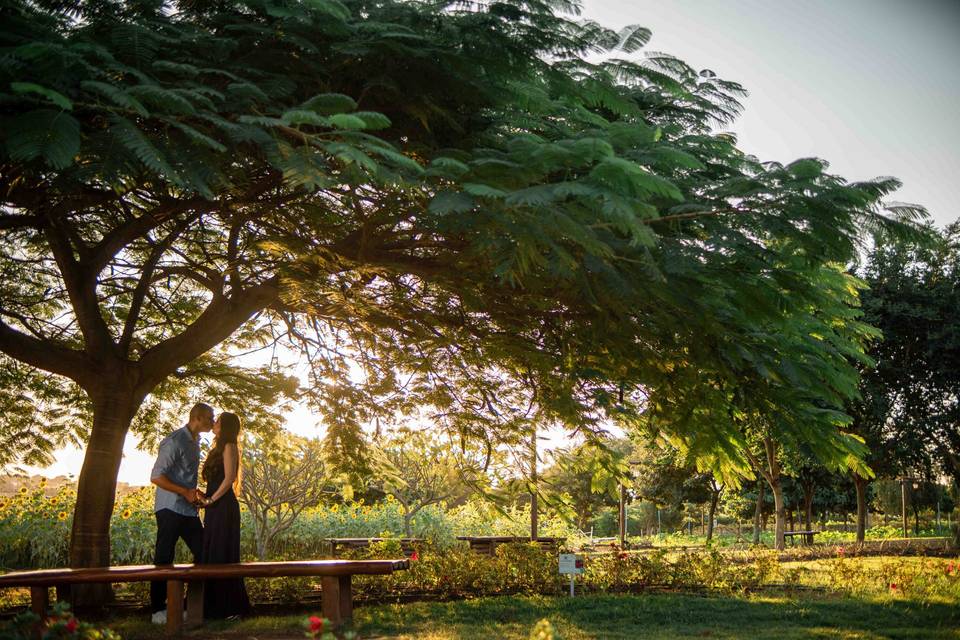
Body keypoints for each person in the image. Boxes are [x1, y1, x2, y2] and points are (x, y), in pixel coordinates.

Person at [149, 402, 213, 625]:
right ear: (197, 417)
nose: (212, 422)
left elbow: (184, 478)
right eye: (209, 418)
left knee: (205, 552)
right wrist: (185, 491)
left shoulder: (195, 442)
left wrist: (194, 494)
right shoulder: (174, 441)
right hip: (169, 508)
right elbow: (156, 476)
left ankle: (186, 606)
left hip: (187, 510)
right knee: (164, 558)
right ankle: (158, 611)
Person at [198, 411, 251, 619]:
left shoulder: (229, 446)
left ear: (225, 426)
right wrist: (203, 497)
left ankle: (228, 608)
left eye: (218, 420)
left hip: (223, 506)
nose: (214, 422)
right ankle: (211, 607)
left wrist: (211, 500)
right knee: (211, 552)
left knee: (222, 554)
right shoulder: (216, 448)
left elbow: (229, 479)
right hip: (214, 507)